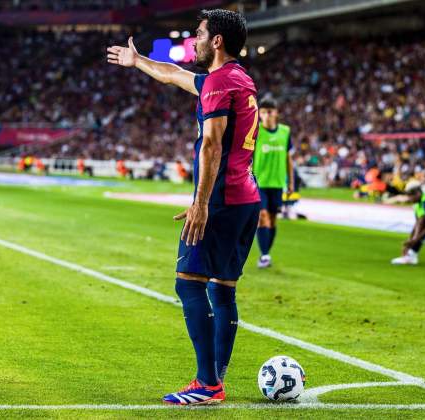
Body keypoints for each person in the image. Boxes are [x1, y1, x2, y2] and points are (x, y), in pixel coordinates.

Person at [108, 9, 260, 405]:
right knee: (223, 290)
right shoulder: (237, 78)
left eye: (198, 34)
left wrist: (200, 203)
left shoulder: (218, 82)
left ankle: (207, 384)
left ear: (217, 41)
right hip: (247, 198)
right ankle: (216, 379)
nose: (193, 40)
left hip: (222, 200)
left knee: (187, 282)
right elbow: (174, 75)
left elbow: (211, 145)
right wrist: (138, 61)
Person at [252, 96, 294, 268]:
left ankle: (265, 253)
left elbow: (288, 158)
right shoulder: (256, 131)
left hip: (277, 183)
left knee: (273, 219)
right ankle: (265, 255)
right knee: (262, 218)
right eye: (263, 112)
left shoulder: (285, 131)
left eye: (269, 111)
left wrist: (291, 182)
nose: (266, 115)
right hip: (258, 183)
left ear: (276, 113)